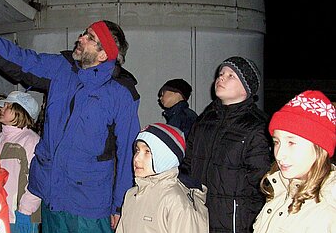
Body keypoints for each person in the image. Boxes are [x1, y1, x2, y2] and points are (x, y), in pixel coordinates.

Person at [0, 20, 141, 232]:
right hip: (50, 196)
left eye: (90, 38)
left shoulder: (121, 94)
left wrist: (121, 205)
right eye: (84, 33)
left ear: (103, 55)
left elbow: (128, 153)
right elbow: (22, 59)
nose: (80, 38)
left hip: (88, 206)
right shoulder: (61, 69)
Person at [180, 56, 272, 233]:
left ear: (246, 88)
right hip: (199, 215)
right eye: (221, 73)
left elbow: (262, 183)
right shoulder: (205, 119)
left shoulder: (256, 126)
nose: (221, 78)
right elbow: (188, 162)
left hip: (234, 221)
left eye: (231, 75)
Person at [253, 90, 336, 233]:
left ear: (319, 148)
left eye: (291, 142)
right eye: (277, 142)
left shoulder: (325, 213)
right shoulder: (282, 191)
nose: (279, 155)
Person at [116, 123, 209, 233]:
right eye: (137, 150)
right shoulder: (131, 195)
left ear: (165, 158)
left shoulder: (176, 202)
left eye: (147, 152)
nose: (136, 158)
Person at [0, 90, 42, 233]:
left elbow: (38, 179)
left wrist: (25, 210)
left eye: (7, 106)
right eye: (3, 106)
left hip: (20, 215)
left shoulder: (31, 141)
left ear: (21, 111)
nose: (2, 109)